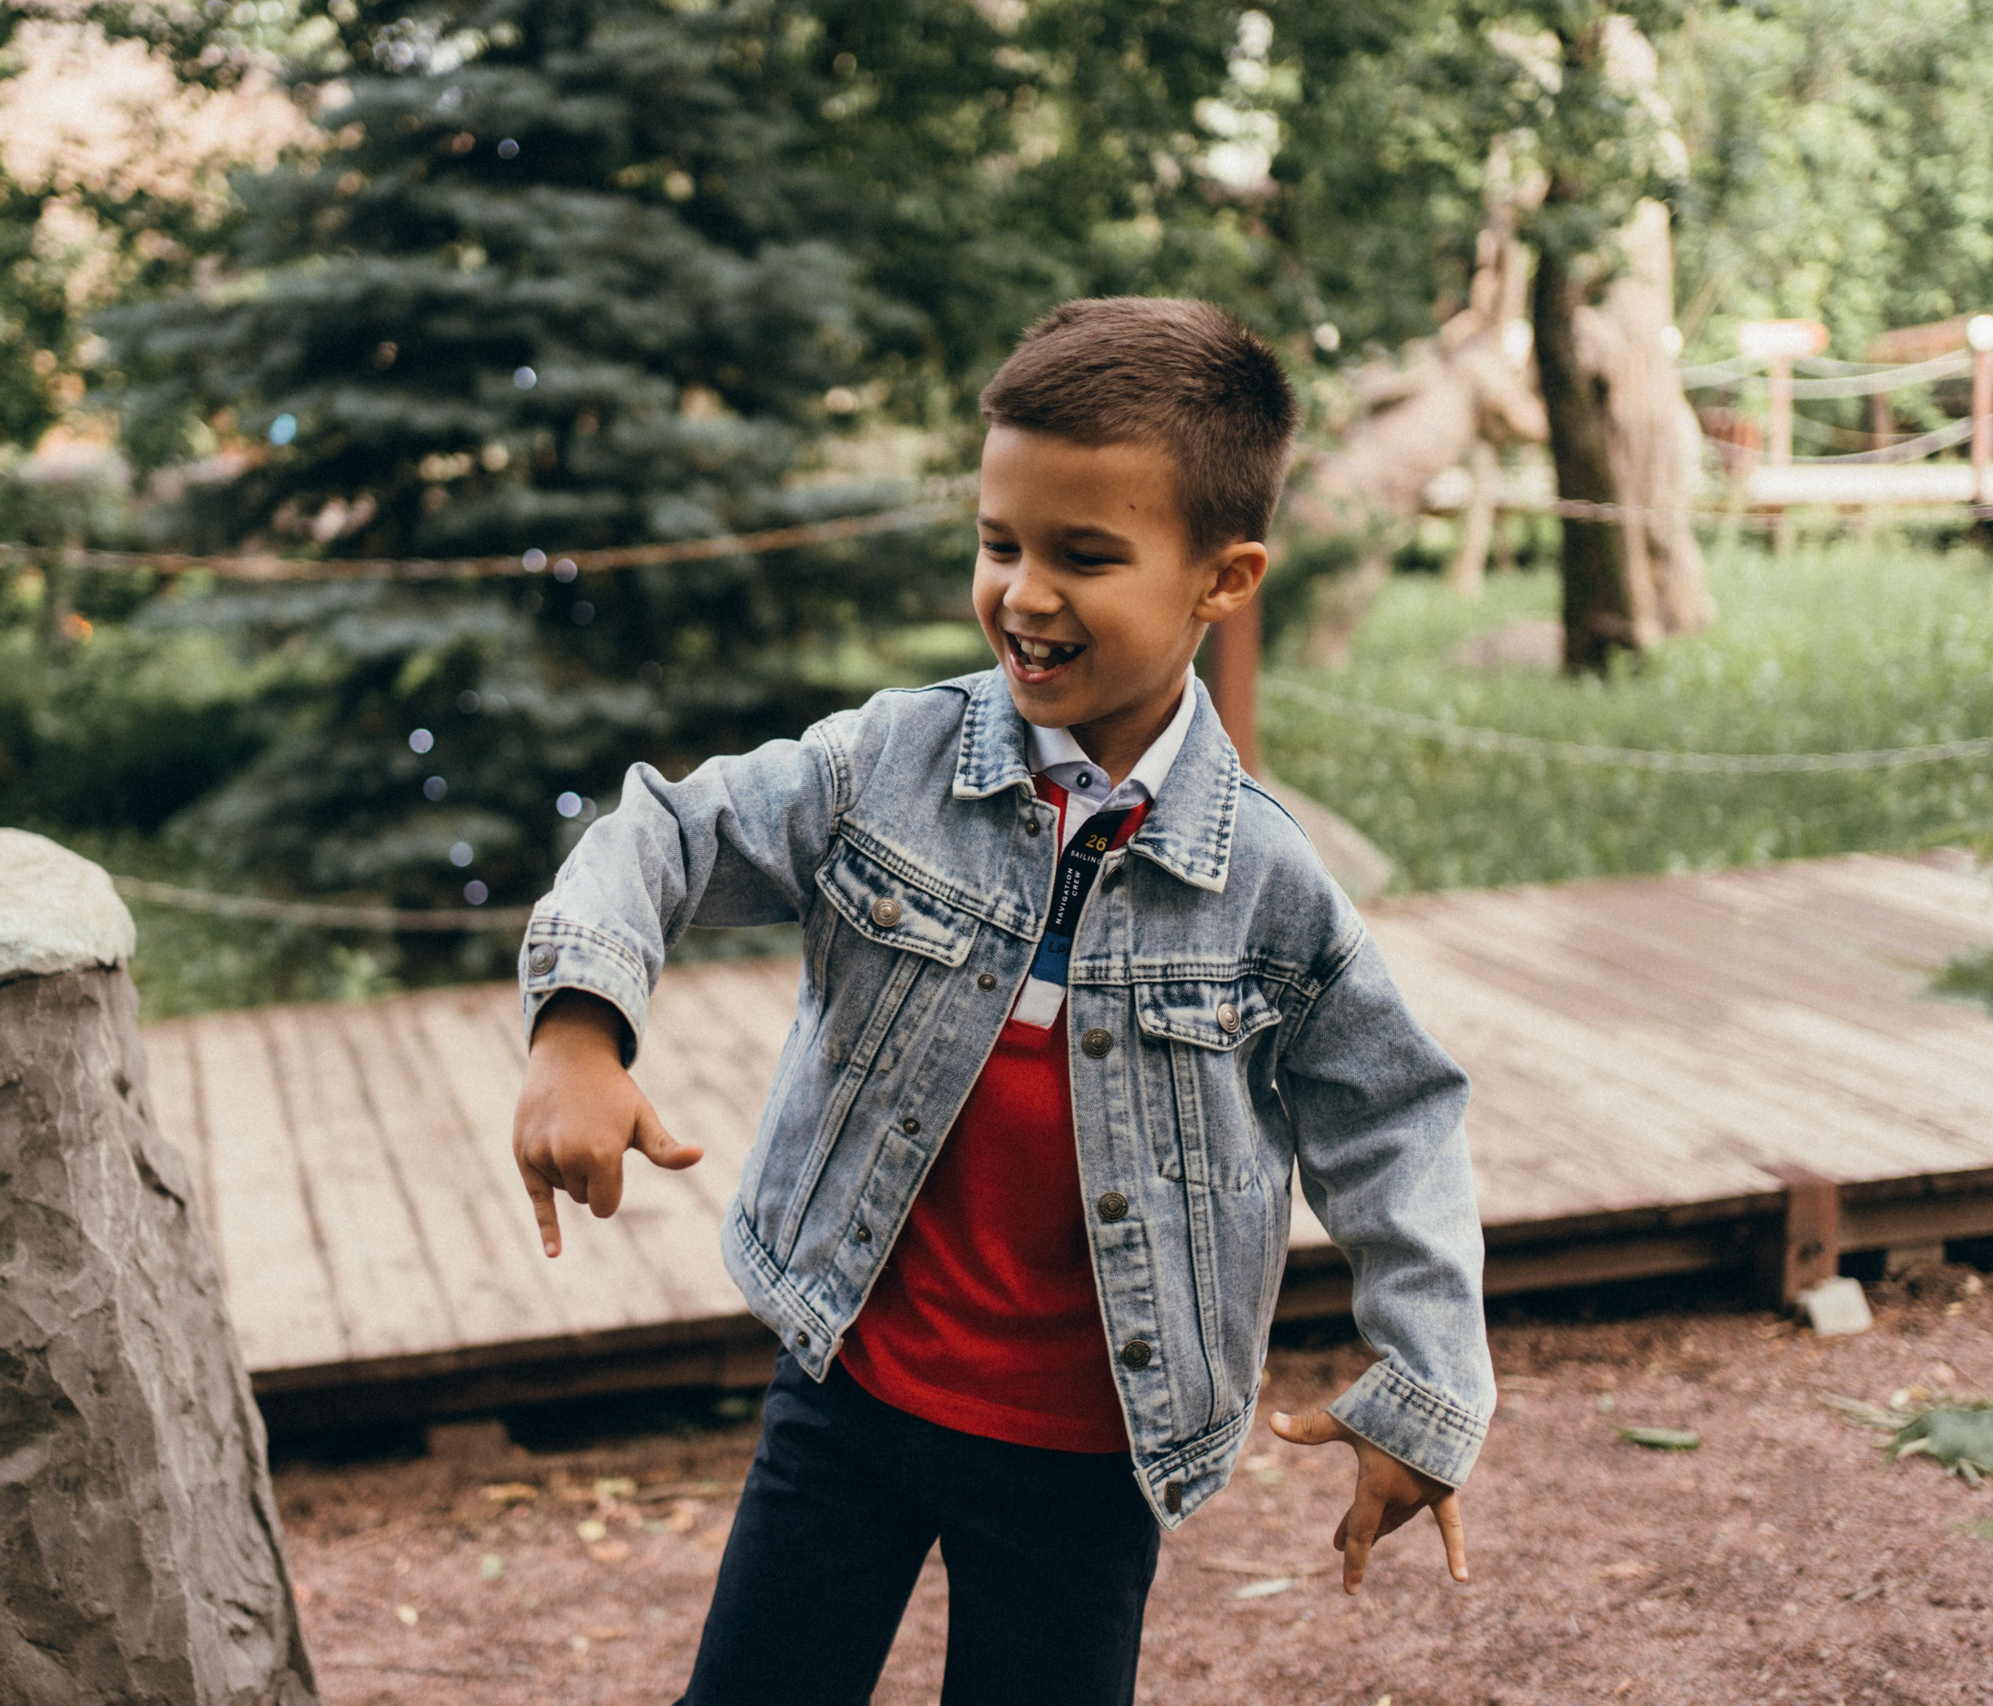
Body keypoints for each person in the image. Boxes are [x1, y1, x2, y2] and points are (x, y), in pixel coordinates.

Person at [510, 296, 1493, 1706]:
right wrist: (577, 1025)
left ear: (1224, 580)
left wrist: (1425, 1389)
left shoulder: (1268, 887)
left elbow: (1396, 1120)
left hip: (1086, 1463)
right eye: (1000, 543)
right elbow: (665, 832)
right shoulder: (887, 765)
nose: (1024, 594)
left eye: (1084, 556)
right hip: (847, 1398)